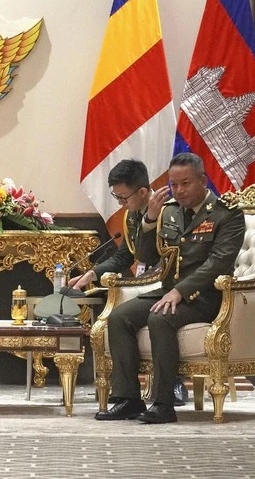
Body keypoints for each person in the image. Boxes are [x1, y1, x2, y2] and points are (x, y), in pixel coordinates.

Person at [94, 152, 245, 424]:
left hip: (207, 296)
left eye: (185, 184)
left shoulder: (227, 214)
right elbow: (148, 256)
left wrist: (181, 291)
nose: (179, 191)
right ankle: (128, 399)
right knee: (119, 317)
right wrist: (150, 220)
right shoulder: (170, 211)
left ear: (202, 180)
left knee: (159, 318)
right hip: (169, 290)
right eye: (174, 185)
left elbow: (218, 263)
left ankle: (163, 403)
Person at [68, 159, 190, 407]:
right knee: (117, 315)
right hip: (145, 283)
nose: (121, 204)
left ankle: (173, 382)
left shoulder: (171, 210)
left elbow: (154, 256)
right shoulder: (132, 215)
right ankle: (126, 395)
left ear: (143, 191)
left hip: (172, 284)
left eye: (124, 198)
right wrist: (91, 275)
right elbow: (126, 254)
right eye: (117, 197)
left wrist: (150, 221)